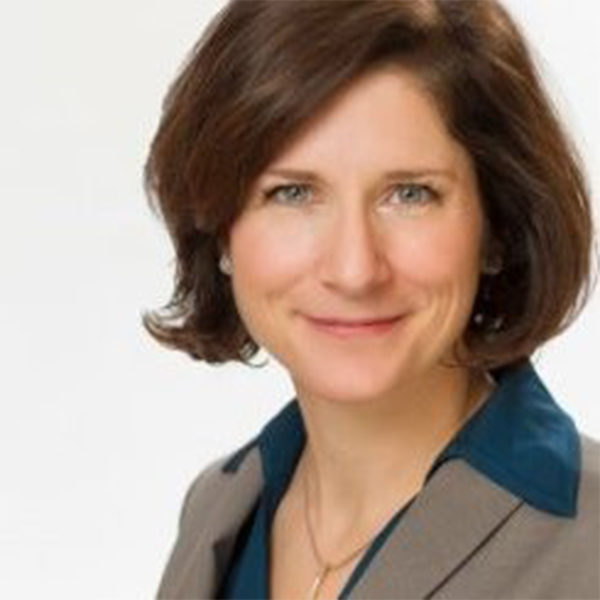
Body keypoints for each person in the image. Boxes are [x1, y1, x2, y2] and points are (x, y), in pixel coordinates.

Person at [143, 1, 599, 598]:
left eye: (410, 194)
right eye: (292, 193)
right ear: (220, 231)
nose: (354, 270)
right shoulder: (217, 508)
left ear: (497, 226)